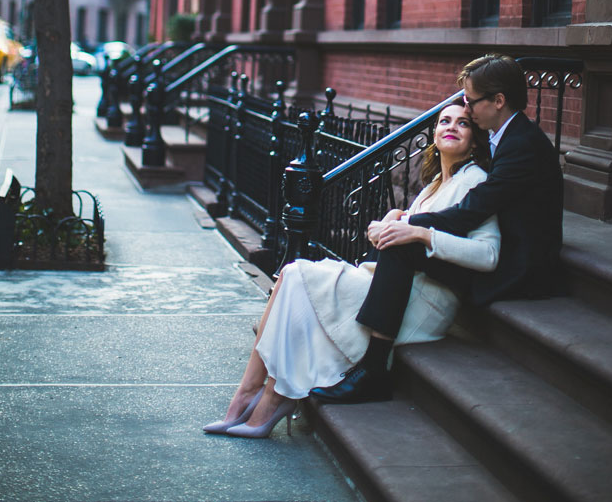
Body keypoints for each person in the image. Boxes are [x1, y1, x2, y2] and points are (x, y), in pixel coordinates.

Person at [202, 99, 499, 438]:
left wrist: (422, 234)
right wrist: (392, 221)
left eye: (462, 124)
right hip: (397, 288)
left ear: (476, 140)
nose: (450, 127)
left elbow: (488, 254)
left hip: (424, 301)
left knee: (298, 276)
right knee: (291, 274)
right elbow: (409, 229)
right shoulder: (435, 184)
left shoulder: (475, 181)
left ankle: (268, 399)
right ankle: (252, 392)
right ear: (433, 133)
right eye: (444, 121)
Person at [311, 54, 564, 406]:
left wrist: (408, 226)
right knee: (399, 237)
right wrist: (402, 225)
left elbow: (470, 212)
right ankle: (363, 337)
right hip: (505, 246)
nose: (465, 107)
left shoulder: (522, 146)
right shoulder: (504, 136)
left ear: (498, 101)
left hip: (519, 268)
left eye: (470, 100)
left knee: (402, 241)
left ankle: (372, 370)